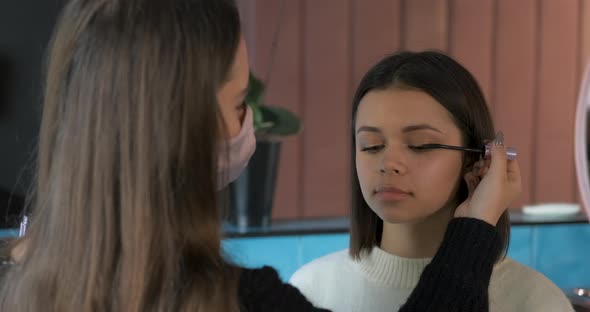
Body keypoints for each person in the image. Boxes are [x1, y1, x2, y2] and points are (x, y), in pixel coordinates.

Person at [0, 1, 531, 311]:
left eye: (419, 144)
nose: (389, 162)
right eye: (237, 105)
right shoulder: (258, 299)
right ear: (180, 131)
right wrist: (475, 230)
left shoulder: (23, 285)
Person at [289, 51, 574, 312]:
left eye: (421, 145)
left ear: (475, 156)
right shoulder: (310, 290)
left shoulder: (535, 301)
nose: (389, 164)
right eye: (372, 145)